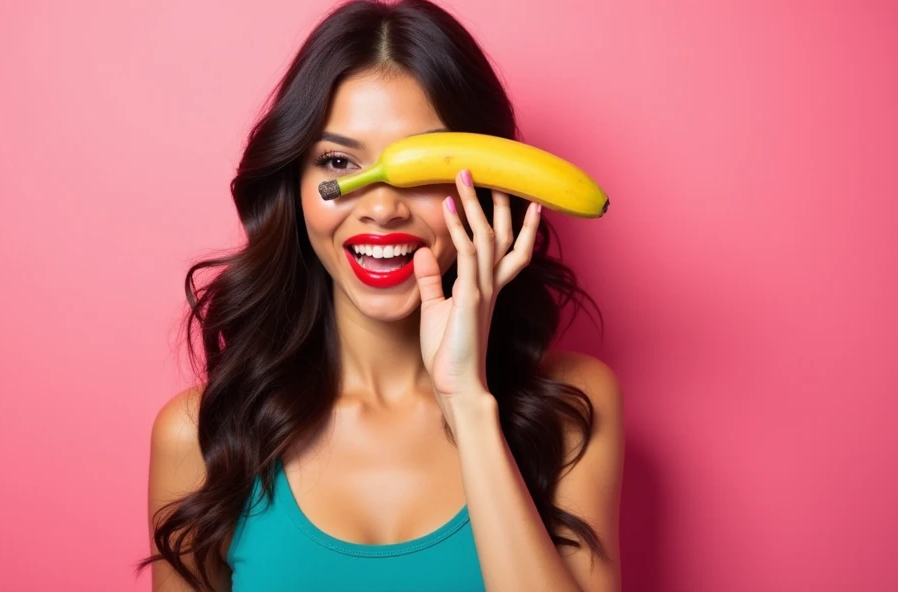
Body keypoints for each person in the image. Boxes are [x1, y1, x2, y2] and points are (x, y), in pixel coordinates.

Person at [138, 1, 624, 590]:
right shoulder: (202, 436)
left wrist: (467, 403)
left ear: (493, 183)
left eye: (420, 172)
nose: (382, 208)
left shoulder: (570, 408)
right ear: (294, 186)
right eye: (339, 161)